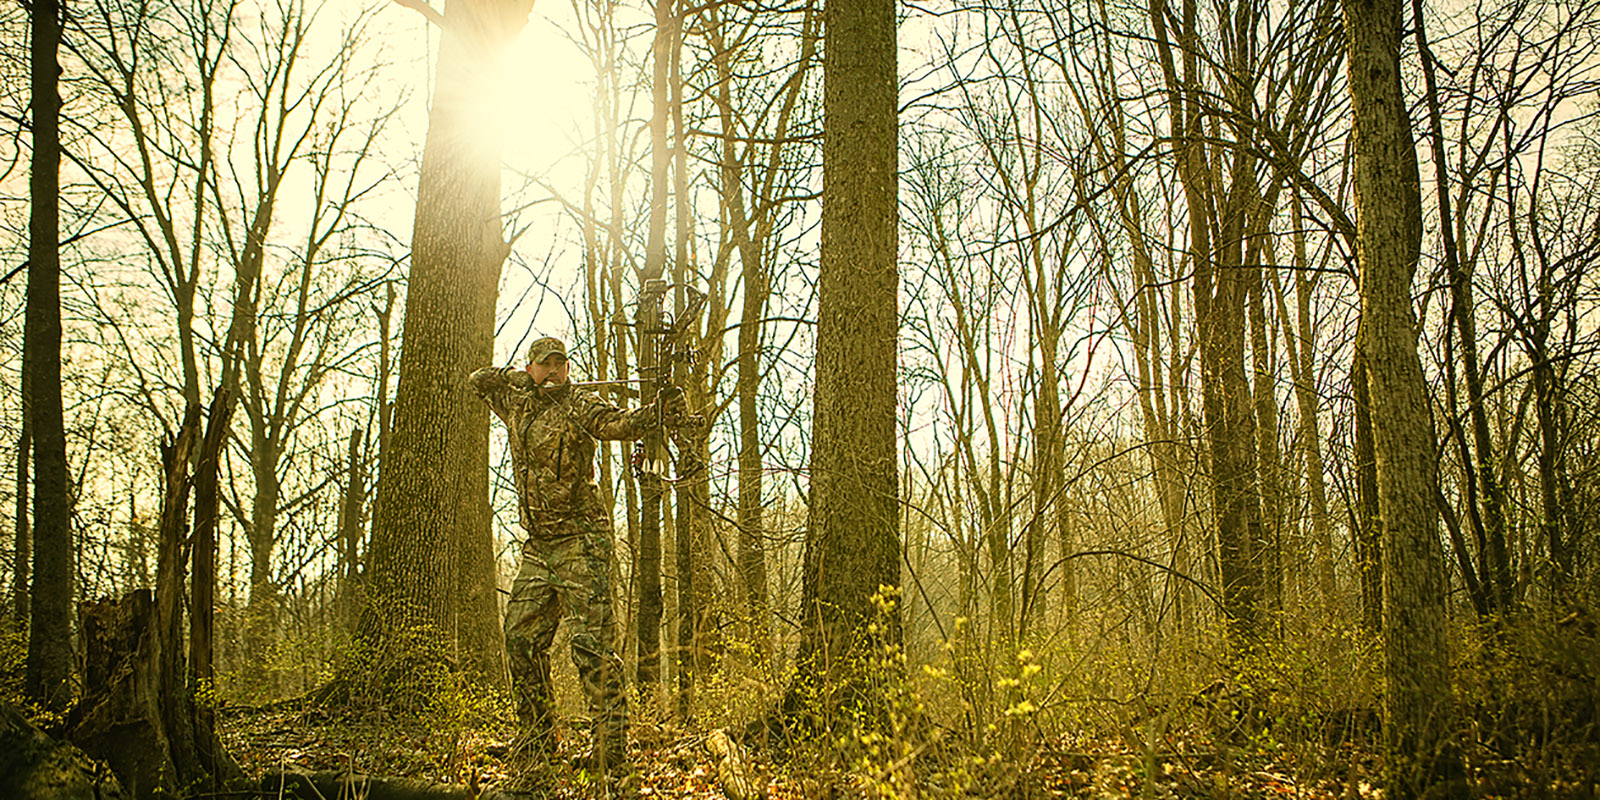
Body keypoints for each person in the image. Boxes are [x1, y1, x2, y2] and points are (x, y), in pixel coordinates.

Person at [469, 335, 683, 775]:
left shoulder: (579, 405)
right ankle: (537, 743)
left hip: (581, 541)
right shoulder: (517, 402)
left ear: (568, 369)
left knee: (592, 647)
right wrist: (516, 379)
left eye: (560, 365)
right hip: (539, 545)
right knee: (521, 640)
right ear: (530, 369)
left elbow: (619, 423)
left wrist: (658, 412)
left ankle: (611, 751)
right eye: (544, 365)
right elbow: (478, 380)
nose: (553, 371)